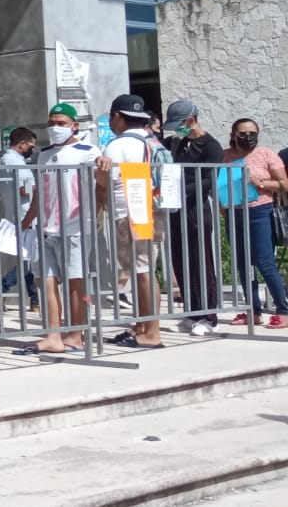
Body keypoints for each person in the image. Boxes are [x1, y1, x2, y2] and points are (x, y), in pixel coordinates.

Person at [16, 104, 99, 354]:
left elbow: (102, 179)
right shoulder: (44, 155)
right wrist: (27, 220)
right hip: (47, 228)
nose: (55, 128)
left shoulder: (87, 151)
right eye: (51, 123)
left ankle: (76, 334)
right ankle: (54, 334)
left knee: (76, 283)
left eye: (61, 123)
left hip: (75, 227)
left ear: (74, 125)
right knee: (47, 282)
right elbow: (40, 192)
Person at [98, 94, 165, 349]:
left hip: (128, 213)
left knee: (142, 271)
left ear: (116, 117)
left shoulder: (117, 146)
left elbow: (105, 183)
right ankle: (142, 326)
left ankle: (152, 332)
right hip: (151, 211)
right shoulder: (152, 142)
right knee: (145, 269)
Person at [161, 100, 223, 333]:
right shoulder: (177, 142)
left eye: (180, 124)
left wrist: (181, 189)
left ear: (191, 119)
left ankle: (208, 316)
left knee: (200, 261)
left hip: (196, 209)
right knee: (180, 260)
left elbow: (208, 179)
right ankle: (191, 311)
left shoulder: (210, 146)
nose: (177, 129)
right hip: (176, 208)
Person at [221, 118, 288, 329]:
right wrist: (223, 209)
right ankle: (253, 310)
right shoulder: (225, 156)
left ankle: (283, 311)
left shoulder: (266, 154)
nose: (248, 137)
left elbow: (284, 184)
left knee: (264, 262)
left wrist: (260, 182)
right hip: (235, 213)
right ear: (233, 134)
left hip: (261, 211)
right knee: (242, 264)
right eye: (243, 133)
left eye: (253, 133)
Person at [0, 127, 39, 311]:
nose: (32, 149)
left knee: (28, 258)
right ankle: (2, 286)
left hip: (14, 214)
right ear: (22, 144)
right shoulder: (17, 163)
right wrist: (40, 188)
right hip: (25, 215)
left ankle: (34, 299)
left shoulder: (2, 161)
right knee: (28, 259)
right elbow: (25, 189)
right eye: (31, 146)